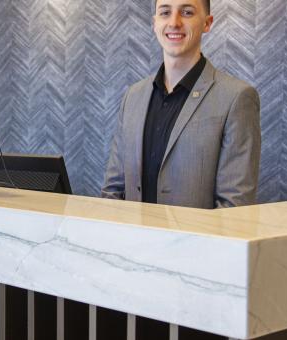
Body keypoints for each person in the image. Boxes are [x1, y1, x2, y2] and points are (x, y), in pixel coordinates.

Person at [101, 0, 261, 209]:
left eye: (187, 12)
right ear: (155, 22)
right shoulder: (132, 96)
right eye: (165, 12)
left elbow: (234, 206)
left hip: (198, 241)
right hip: (130, 240)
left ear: (207, 23)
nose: (174, 22)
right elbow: (113, 190)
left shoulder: (237, 98)